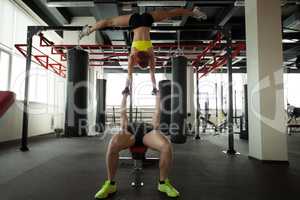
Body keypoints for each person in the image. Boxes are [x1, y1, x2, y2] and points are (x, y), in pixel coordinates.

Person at [80, 7, 207, 95]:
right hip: (135, 22)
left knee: (170, 13)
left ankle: (194, 13)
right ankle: (88, 31)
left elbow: (151, 74)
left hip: (147, 20)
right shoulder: (132, 57)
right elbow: (129, 76)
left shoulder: (150, 55)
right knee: (110, 22)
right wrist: (126, 87)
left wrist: (154, 87)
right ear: (137, 61)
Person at [94, 91, 179, 199]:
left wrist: (158, 97)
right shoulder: (127, 125)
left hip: (147, 134)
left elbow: (157, 112)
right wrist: (124, 96)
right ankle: (111, 184)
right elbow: (123, 113)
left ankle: (163, 183)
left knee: (166, 146)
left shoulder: (150, 126)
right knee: (113, 144)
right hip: (130, 133)